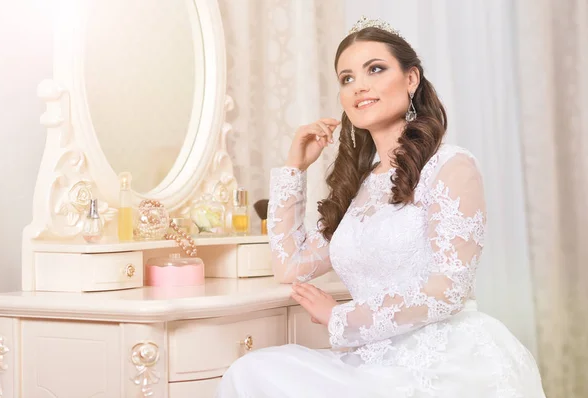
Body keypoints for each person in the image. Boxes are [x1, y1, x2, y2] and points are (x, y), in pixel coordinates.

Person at [216, 16, 546, 398]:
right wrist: (294, 169)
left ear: (411, 79)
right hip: (371, 363)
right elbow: (290, 267)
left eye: (375, 69)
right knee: (251, 372)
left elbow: (448, 290)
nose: (360, 86)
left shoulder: (451, 166)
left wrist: (340, 317)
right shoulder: (360, 185)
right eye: (347, 78)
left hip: (445, 363)